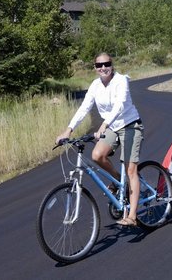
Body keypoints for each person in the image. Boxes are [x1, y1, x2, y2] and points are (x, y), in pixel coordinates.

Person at [55, 52, 143, 227]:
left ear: (112, 64)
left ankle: (132, 215)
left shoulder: (120, 81)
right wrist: (68, 130)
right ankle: (119, 182)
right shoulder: (95, 85)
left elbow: (120, 104)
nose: (103, 67)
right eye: (99, 65)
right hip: (111, 127)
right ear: (95, 68)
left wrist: (104, 124)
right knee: (97, 155)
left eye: (106, 64)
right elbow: (84, 108)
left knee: (131, 170)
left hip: (130, 125)